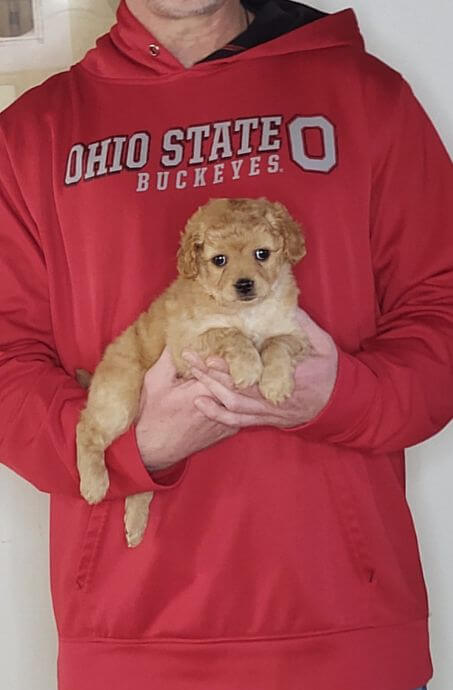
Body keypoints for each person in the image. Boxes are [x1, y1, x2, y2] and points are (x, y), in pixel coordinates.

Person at [0, 0, 451, 688]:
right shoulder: (34, 134)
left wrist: (342, 397)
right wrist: (128, 447)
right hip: (132, 640)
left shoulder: (363, 95)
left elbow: (440, 306)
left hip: (344, 632)